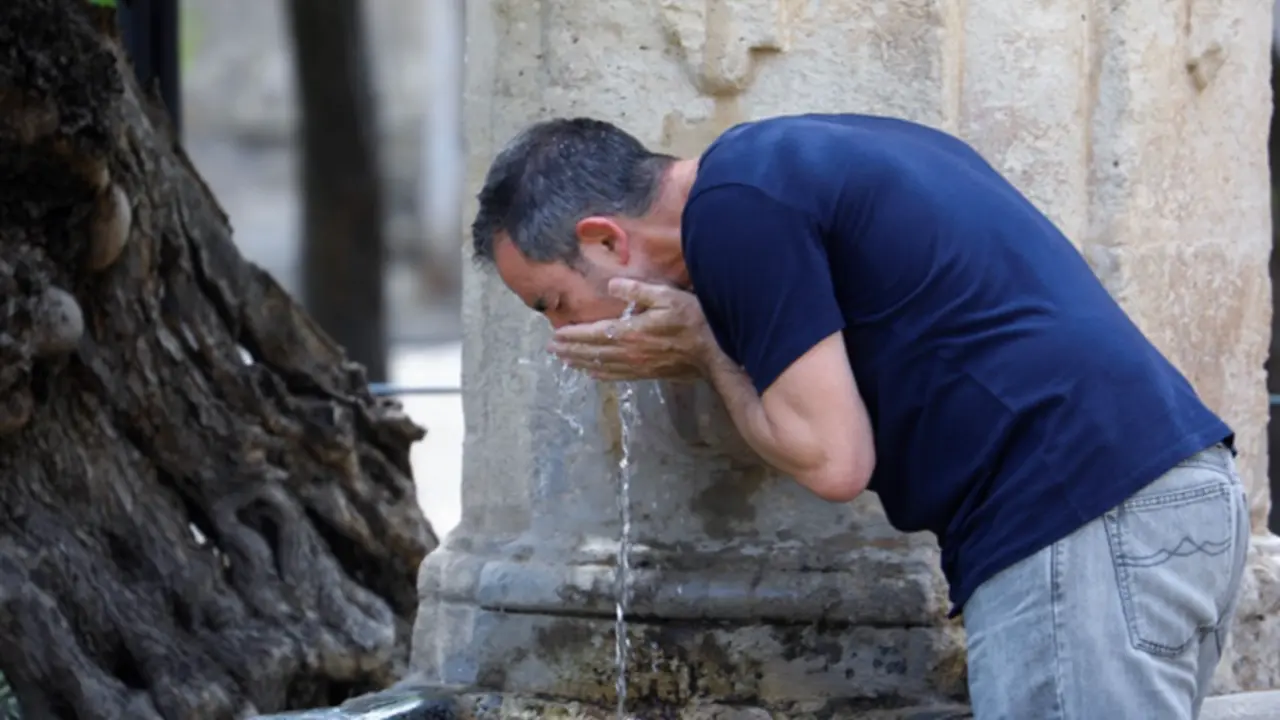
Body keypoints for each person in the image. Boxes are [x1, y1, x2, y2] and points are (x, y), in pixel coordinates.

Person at [468, 113, 1250, 719]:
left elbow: (834, 461)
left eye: (555, 304)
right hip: (1182, 495)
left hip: (1075, 522)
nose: (564, 335)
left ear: (604, 239)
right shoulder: (804, 160)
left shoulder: (734, 214)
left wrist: (710, 349)